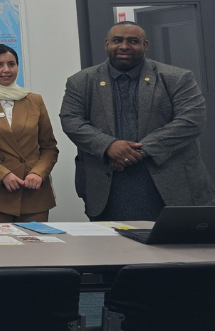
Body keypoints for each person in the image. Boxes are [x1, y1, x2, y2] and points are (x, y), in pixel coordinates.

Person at [60, 21, 213, 221]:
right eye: (117, 40)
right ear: (107, 44)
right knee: (111, 250)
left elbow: (192, 120)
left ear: (145, 45)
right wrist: (108, 145)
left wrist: (140, 150)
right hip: (107, 186)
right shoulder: (81, 81)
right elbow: (71, 120)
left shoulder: (177, 78)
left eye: (133, 41)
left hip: (170, 185)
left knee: (177, 250)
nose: (124, 46)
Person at [0, 44, 59, 223]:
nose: (6, 70)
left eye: (12, 64)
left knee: (36, 248)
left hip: (33, 190)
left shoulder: (34, 100)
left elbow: (49, 147)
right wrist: (1, 174)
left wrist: (38, 173)